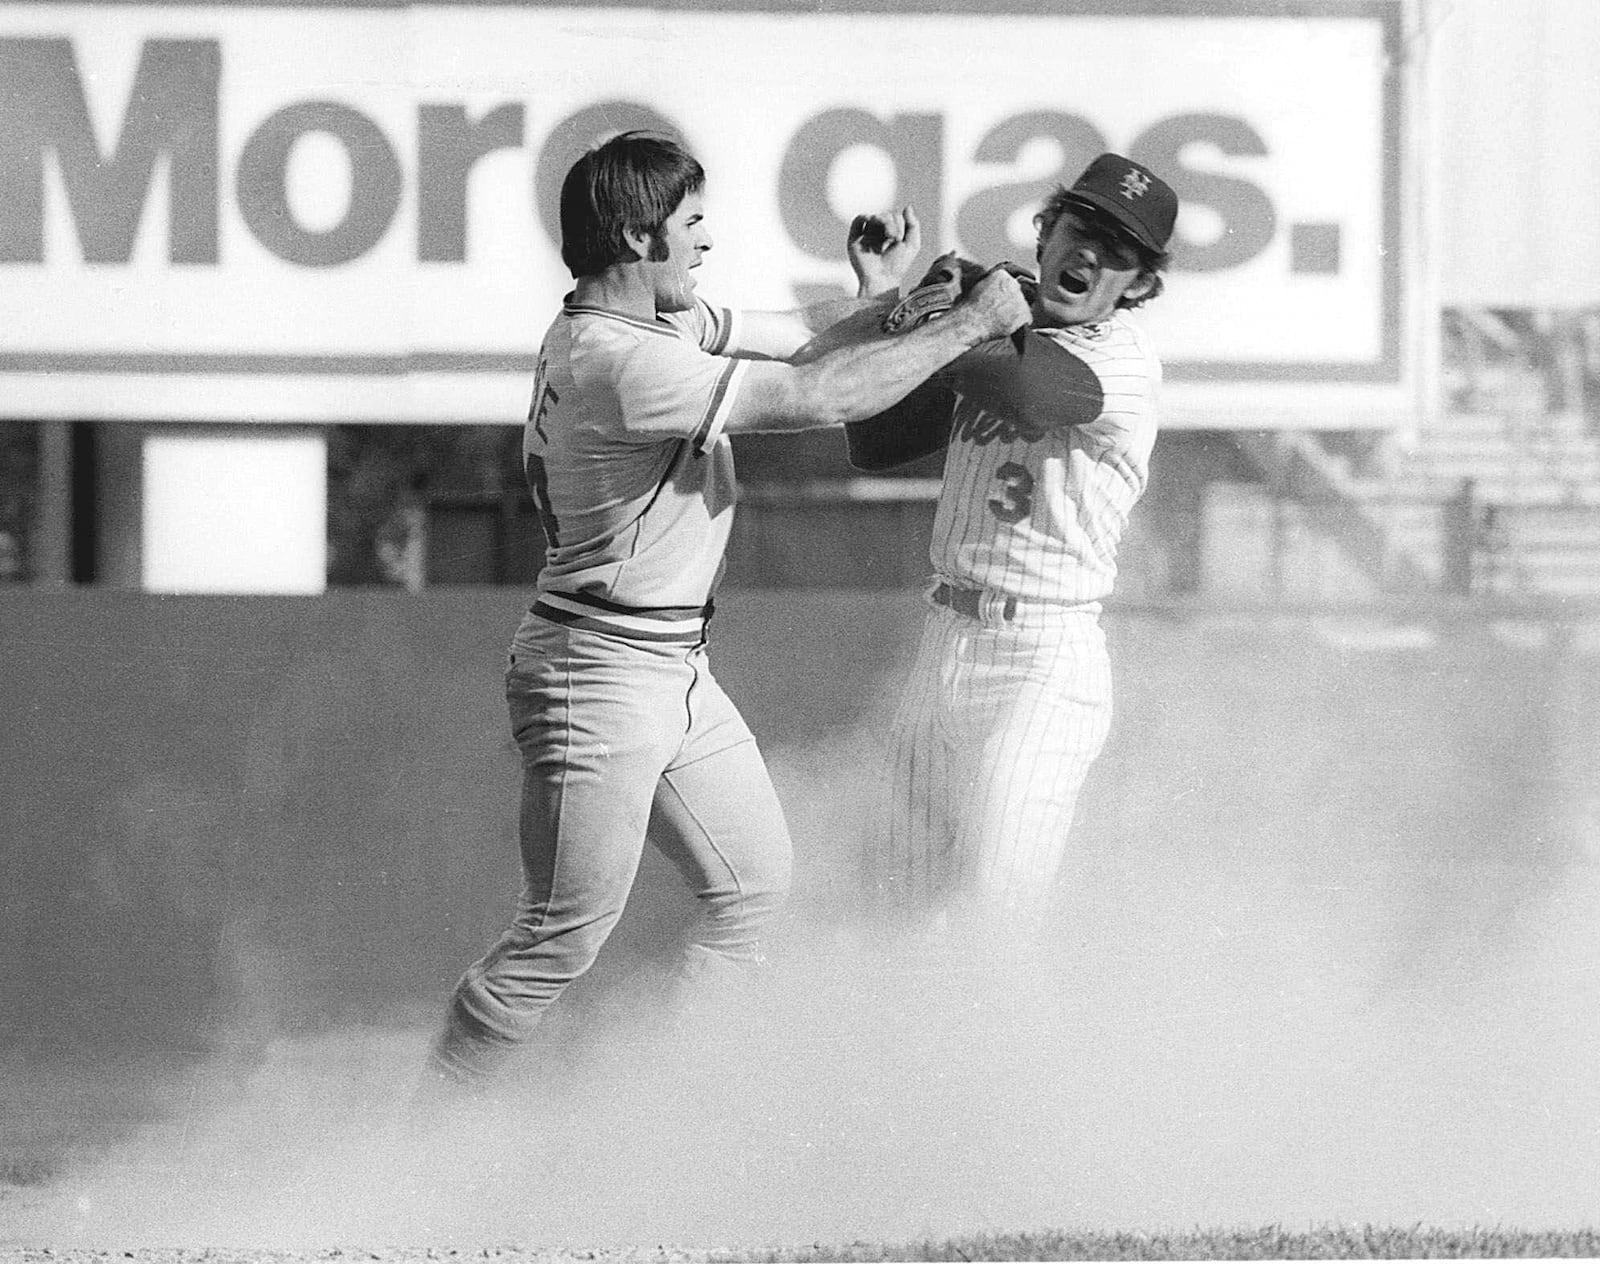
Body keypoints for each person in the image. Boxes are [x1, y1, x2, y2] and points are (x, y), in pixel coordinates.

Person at [421, 130, 1030, 1093]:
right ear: (633, 233)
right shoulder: (621, 363)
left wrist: (886, 297)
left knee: (757, 891)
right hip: (600, 671)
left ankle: (683, 1112)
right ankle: (430, 1140)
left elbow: (804, 338)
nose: (706, 242)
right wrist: (966, 326)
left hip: (661, 663)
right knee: (556, 940)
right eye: (691, 223)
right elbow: (824, 396)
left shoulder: (634, 323)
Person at [870, 152, 1179, 951]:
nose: (1091, 254)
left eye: (1119, 250)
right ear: (1047, 233)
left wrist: (942, 311)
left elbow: (1030, 389)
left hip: (1041, 660)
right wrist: (891, 302)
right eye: (1081, 227)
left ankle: (1003, 1077)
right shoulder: (995, 330)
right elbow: (877, 439)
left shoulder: (1122, 358)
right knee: (902, 924)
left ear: (1139, 285)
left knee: (988, 928)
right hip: (943, 644)